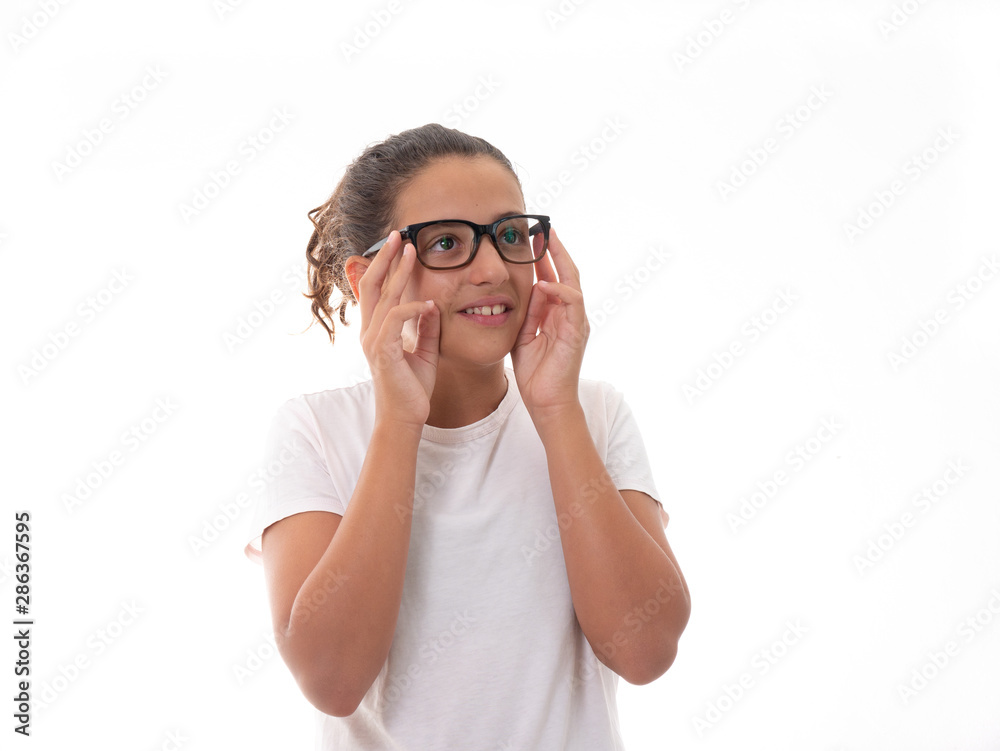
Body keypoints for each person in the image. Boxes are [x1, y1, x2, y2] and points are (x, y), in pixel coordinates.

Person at [244, 123, 690, 750]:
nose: (491, 269)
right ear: (368, 276)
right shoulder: (316, 430)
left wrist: (555, 406)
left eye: (509, 235)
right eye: (446, 242)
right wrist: (399, 421)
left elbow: (645, 651)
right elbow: (332, 679)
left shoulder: (593, 413)